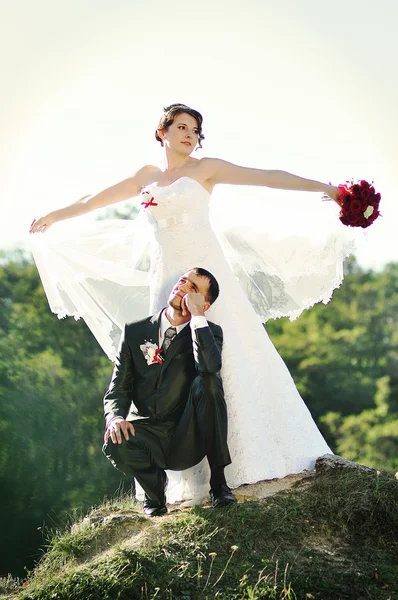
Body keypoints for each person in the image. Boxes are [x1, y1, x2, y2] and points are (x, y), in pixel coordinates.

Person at [30, 103, 353, 504]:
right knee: (171, 369)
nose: (190, 134)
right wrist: (53, 216)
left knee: (227, 359)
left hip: (208, 275)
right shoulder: (145, 177)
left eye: (196, 129)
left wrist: (330, 190)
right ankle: (182, 479)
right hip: (166, 279)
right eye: (181, 127)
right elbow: (93, 199)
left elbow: (268, 178)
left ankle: (245, 463)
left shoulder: (207, 169)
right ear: (161, 132)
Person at [103, 268, 236, 516]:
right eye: (183, 280)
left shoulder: (210, 331)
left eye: (194, 288)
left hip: (186, 436)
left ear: (203, 304)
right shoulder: (135, 331)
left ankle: (219, 484)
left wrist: (197, 318)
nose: (183, 286)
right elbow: (117, 387)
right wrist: (115, 418)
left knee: (209, 382)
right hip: (148, 434)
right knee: (114, 437)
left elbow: (209, 367)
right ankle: (155, 497)